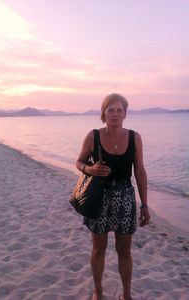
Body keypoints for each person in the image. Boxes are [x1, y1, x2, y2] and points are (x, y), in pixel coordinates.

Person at [76, 93, 150, 300]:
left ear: (125, 113)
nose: (115, 114)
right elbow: (79, 162)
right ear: (104, 113)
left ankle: (126, 294)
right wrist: (89, 170)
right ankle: (98, 291)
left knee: (124, 252)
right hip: (98, 198)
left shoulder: (135, 137)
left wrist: (145, 205)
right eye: (111, 110)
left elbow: (140, 172)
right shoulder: (93, 136)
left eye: (119, 110)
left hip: (125, 198)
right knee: (99, 249)